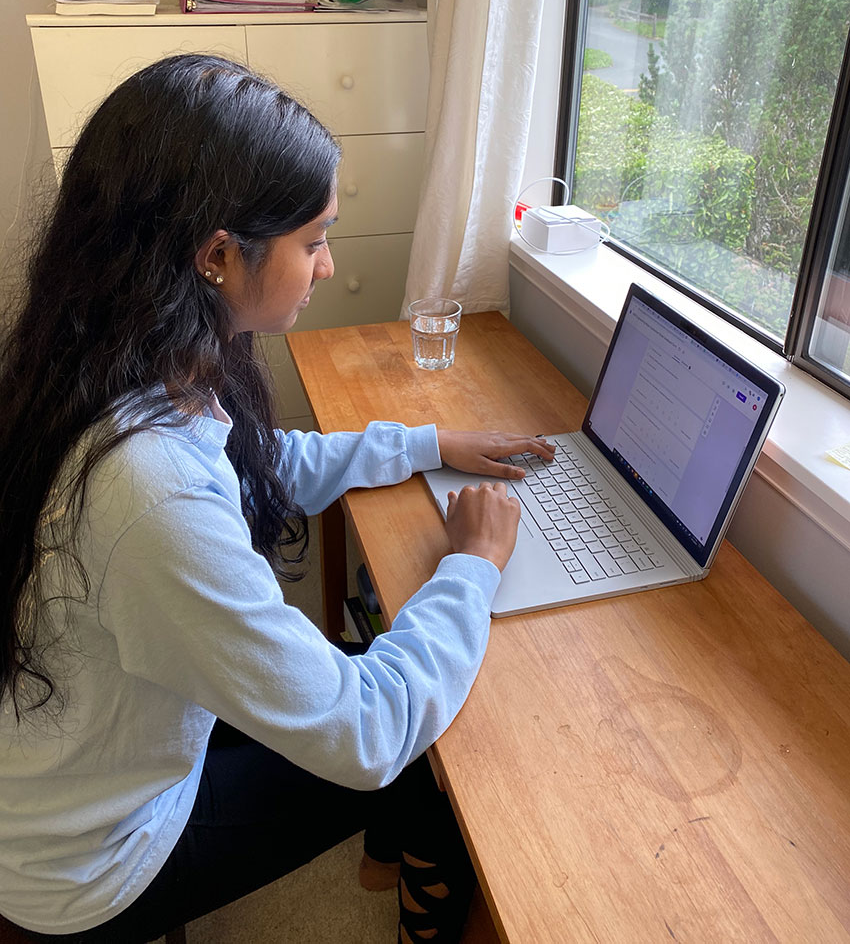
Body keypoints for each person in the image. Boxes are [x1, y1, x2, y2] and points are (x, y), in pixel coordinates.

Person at [0, 54, 554, 943]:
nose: (327, 266)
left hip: (78, 766)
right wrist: (473, 564)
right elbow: (365, 729)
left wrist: (427, 444)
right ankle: (418, 896)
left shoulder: (116, 356)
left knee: (387, 663)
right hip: (93, 861)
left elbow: (259, 463)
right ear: (219, 255)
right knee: (417, 724)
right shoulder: (148, 491)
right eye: (314, 239)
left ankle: (392, 859)